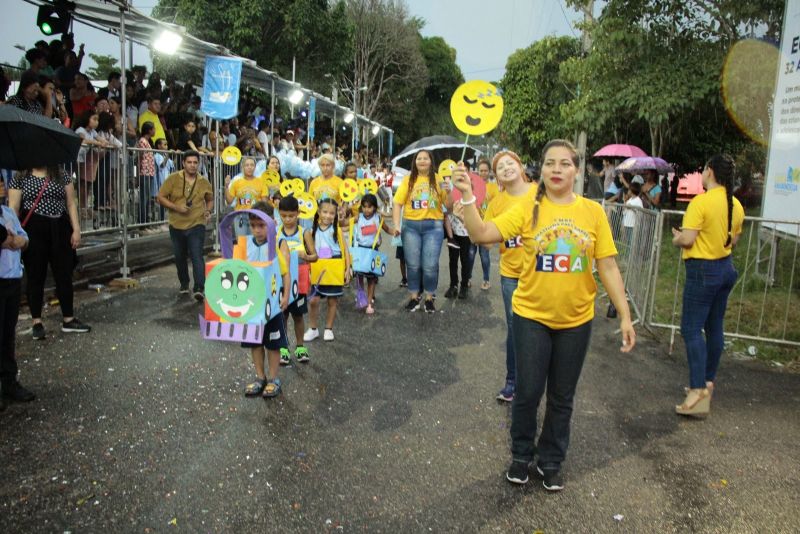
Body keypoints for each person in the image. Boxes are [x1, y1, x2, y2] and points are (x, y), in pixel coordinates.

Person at [452, 139, 635, 490]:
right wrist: (467, 196)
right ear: (541, 169)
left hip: (577, 320)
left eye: (564, 164)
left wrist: (625, 315)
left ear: (576, 170)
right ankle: (521, 456)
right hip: (531, 316)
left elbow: (608, 266)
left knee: (562, 396)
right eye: (550, 163)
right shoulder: (526, 209)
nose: (556, 170)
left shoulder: (593, 213)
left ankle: (551, 460)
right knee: (528, 391)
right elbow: (482, 234)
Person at [671, 154, 744, 416]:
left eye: (703, 169)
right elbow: (733, 241)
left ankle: (697, 390)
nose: (701, 173)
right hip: (725, 269)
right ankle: (707, 382)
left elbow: (689, 239)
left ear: (710, 171)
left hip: (702, 270)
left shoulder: (700, 203)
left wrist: (677, 238)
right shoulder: (736, 204)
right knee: (714, 328)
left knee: (691, 329)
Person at [478, 151, 536, 403]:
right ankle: (513, 381)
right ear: (497, 176)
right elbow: (486, 242)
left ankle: (534, 381)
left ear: (520, 166)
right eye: (500, 167)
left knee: (541, 329)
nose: (506, 168)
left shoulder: (540, 193)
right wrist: (467, 216)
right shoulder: (496, 204)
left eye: (510, 163)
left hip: (541, 274)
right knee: (516, 329)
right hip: (512, 275)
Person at [8, 166, 91, 339]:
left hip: (59, 227)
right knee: (36, 275)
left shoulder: (61, 174)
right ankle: (36, 322)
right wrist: (14, 234)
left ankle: (68, 318)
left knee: (64, 273)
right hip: (33, 229)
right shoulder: (20, 176)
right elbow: (14, 207)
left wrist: (76, 229)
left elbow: (70, 203)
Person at [241, 202, 290, 399]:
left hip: (272, 306)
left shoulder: (276, 245)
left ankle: (273, 378)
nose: (257, 230)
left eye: (261, 225)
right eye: (253, 226)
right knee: (255, 342)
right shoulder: (245, 245)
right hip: (252, 303)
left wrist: (286, 296)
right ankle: (260, 377)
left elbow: (285, 274)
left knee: (273, 342)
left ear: (272, 223)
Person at [391, 150, 451, 313]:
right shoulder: (408, 180)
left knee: (430, 266)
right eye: (419, 158)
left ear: (431, 161)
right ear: (415, 161)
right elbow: (397, 203)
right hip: (410, 227)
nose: (422, 161)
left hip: (434, 227)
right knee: (413, 265)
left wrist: (450, 190)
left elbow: (449, 206)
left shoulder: (439, 180)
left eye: (426, 158)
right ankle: (414, 297)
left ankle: (430, 297)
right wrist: (397, 224)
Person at [156, 151, 214, 300]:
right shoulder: (173, 179)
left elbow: (209, 199)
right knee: (179, 256)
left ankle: (199, 287)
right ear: (183, 163)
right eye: (189, 162)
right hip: (176, 224)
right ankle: (184, 283)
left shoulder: (203, 181)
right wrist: (176, 208)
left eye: (195, 163)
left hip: (197, 223)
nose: (193, 165)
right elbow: (160, 197)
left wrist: (207, 211)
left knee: (197, 255)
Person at [277, 195, 318, 364]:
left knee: (298, 316)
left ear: (298, 214)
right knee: (283, 316)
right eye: (284, 215)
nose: (287, 219)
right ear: (279, 214)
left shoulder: (304, 233)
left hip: (300, 280)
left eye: (291, 216)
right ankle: (283, 348)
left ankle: (300, 347)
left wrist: (306, 256)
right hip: (281, 281)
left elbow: (315, 256)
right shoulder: (276, 232)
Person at [0, 204, 34, 404]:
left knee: (8, 334)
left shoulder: (7, 212)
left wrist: (19, 240)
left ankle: (9, 381)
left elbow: (24, 238)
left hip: (12, 279)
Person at [303, 198, 350, 342]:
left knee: (332, 301)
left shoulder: (338, 231)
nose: (328, 216)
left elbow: (345, 251)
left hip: (334, 267)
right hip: (317, 267)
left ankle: (328, 328)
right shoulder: (312, 230)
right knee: (313, 300)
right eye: (325, 212)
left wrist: (347, 269)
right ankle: (313, 328)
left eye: (331, 213)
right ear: (318, 212)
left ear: (335, 215)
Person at [351, 193, 393, 314]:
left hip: (372, 250)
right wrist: (338, 221)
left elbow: (387, 229)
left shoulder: (378, 218)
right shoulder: (358, 217)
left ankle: (369, 303)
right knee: (359, 277)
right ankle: (361, 297)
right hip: (360, 250)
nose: (366, 209)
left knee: (371, 279)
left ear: (374, 207)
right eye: (364, 207)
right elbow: (345, 223)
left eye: (369, 207)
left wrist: (395, 232)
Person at [224, 157, 269, 237]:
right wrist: (227, 186)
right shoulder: (236, 182)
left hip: (256, 217)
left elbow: (264, 203)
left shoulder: (261, 182)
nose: (249, 167)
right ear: (243, 167)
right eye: (247, 165)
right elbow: (229, 201)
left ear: (255, 167)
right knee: (242, 244)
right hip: (240, 216)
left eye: (252, 165)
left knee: (254, 244)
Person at [475, 159, 498, 291]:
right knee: (470, 255)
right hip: (474, 226)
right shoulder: (473, 186)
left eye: (485, 170)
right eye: (481, 170)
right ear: (477, 171)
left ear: (489, 172)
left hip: (487, 226)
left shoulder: (494, 188)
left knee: (484, 256)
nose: (483, 173)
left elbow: (497, 207)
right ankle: (467, 279)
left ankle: (486, 279)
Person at [136, 122, 156, 223]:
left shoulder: (148, 141)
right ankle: (142, 222)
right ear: (149, 130)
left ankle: (145, 222)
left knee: (147, 199)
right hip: (144, 172)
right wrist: (138, 173)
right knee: (144, 199)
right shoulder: (142, 141)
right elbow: (140, 157)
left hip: (149, 172)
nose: (155, 131)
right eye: (153, 129)